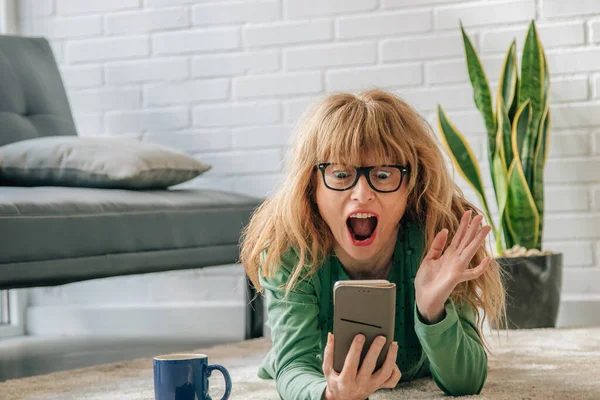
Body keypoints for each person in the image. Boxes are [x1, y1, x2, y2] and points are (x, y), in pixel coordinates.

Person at [240, 88, 506, 400]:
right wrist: (331, 394)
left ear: (411, 183)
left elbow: (467, 382)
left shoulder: (438, 239)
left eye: (383, 174)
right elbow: (295, 366)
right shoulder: (292, 251)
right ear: (311, 185)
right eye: (340, 174)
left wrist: (432, 310)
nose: (362, 193)